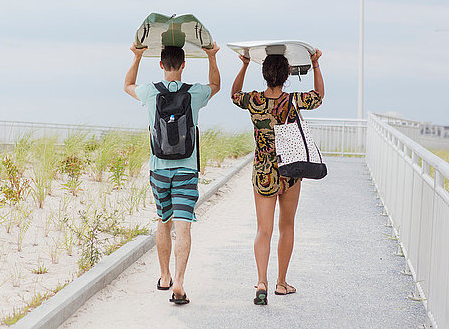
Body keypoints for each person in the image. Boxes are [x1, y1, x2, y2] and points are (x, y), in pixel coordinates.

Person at [124, 42, 221, 304]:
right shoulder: (195, 93)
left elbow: (127, 85)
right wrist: (212, 57)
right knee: (183, 225)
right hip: (187, 170)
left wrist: (137, 56)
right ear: (183, 64)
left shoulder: (150, 92)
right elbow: (216, 85)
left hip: (159, 170)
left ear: (161, 64)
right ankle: (179, 281)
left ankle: (165, 276)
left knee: (163, 220)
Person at [230, 50, 324, 305]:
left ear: (265, 75)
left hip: (263, 171)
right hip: (290, 171)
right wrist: (315, 65)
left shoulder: (254, 100)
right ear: (287, 76)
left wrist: (244, 65)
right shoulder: (292, 100)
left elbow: (234, 94)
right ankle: (281, 283)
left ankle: (262, 282)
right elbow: (318, 97)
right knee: (287, 226)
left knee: (264, 229)